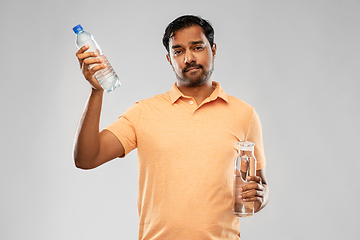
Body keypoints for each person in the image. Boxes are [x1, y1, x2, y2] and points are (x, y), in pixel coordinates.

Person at [74, 15, 269, 239]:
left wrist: (262, 197)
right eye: (178, 51)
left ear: (213, 50)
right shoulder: (144, 112)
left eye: (197, 47)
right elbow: (87, 158)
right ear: (169, 59)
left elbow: (260, 184)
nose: (188, 58)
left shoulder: (244, 114)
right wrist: (96, 91)